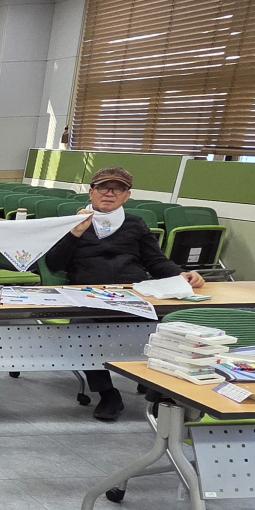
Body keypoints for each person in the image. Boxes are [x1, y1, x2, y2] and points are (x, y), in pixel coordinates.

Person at [45, 166, 206, 422]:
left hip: (134, 295)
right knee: (82, 331)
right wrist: (74, 233)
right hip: (89, 296)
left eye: (117, 189)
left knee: (166, 330)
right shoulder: (72, 222)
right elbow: (54, 264)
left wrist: (181, 274)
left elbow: (155, 261)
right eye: (103, 188)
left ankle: (159, 391)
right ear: (91, 192)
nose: (109, 193)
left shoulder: (135, 224)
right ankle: (108, 394)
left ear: (127, 195)